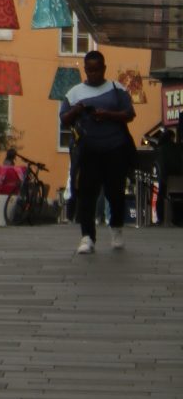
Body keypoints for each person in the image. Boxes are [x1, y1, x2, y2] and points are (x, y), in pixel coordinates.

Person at [59, 49, 136, 254]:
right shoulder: (74, 93)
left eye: (97, 70)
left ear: (104, 69)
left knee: (115, 192)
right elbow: (64, 118)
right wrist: (77, 110)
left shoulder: (115, 88)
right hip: (88, 150)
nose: (93, 74)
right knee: (87, 193)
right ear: (84, 69)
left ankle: (116, 229)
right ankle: (87, 237)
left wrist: (107, 114)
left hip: (115, 148)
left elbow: (129, 114)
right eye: (89, 70)